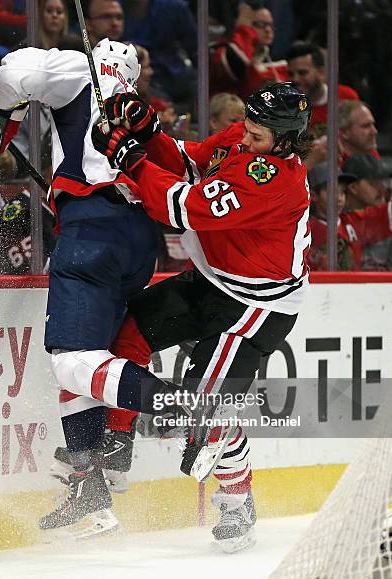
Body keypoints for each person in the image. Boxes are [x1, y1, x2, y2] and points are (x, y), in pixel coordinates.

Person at [79, 81, 312, 553]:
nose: (245, 139)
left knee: (205, 414)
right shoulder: (241, 138)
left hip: (257, 307)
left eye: (258, 136)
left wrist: (130, 159)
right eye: (246, 127)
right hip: (212, 282)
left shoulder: (274, 180)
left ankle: (237, 502)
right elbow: (188, 162)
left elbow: (184, 207)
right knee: (128, 333)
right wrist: (148, 133)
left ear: (285, 143)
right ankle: (119, 442)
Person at [0, 39, 159, 535]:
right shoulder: (142, 112)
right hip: (140, 237)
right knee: (90, 360)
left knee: (70, 356)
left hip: (92, 229)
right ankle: (99, 470)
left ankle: (179, 406)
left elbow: (15, 71)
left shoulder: (79, 68)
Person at [210, 2, 287, 101]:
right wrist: (244, 30)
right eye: (260, 25)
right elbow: (242, 69)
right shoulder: (222, 53)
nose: (268, 30)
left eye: (270, 25)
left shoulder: (277, 61)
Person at [286, 42, 359, 136]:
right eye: (291, 74)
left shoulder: (346, 97)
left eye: (302, 73)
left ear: (321, 72)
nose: (295, 79)